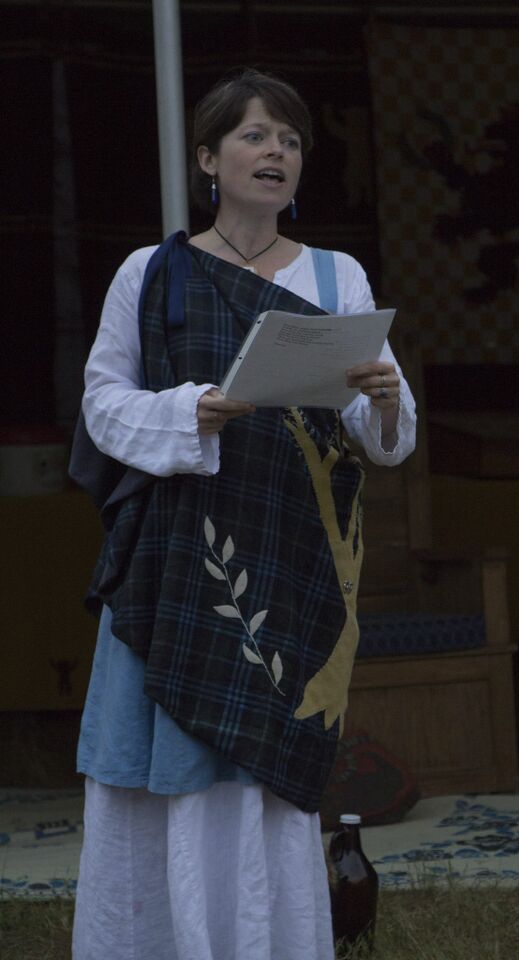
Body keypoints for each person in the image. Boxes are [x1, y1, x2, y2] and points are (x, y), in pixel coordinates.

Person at [71, 68, 416, 960]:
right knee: (170, 766)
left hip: (289, 556)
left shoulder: (337, 275)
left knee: (265, 771)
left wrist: (383, 399)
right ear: (207, 159)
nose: (276, 152)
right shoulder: (151, 272)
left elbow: (383, 434)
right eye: (255, 136)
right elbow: (102, 404)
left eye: (291, 140)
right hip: (174, 559)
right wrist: (193, 411)